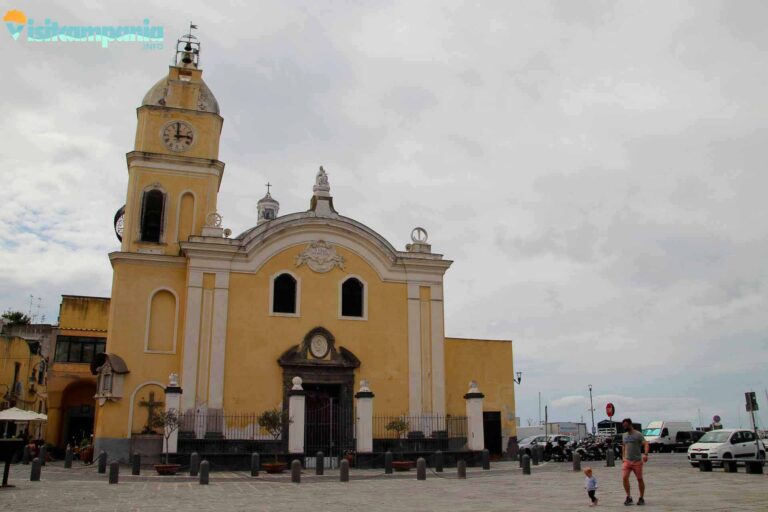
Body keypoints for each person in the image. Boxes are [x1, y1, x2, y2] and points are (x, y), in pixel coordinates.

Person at [621, 418, 649, 506]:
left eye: (626, 425)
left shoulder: (638, 434)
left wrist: (645, 454)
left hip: (637, 461)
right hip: (627, 461)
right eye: (624, 426)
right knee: (624, 478)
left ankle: (641, 498)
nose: (625, 427)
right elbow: (624, 446)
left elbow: (646, 444)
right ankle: (628, 497)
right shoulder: (624, 435)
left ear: (630, 424)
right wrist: (623, 457)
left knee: (639, 479)